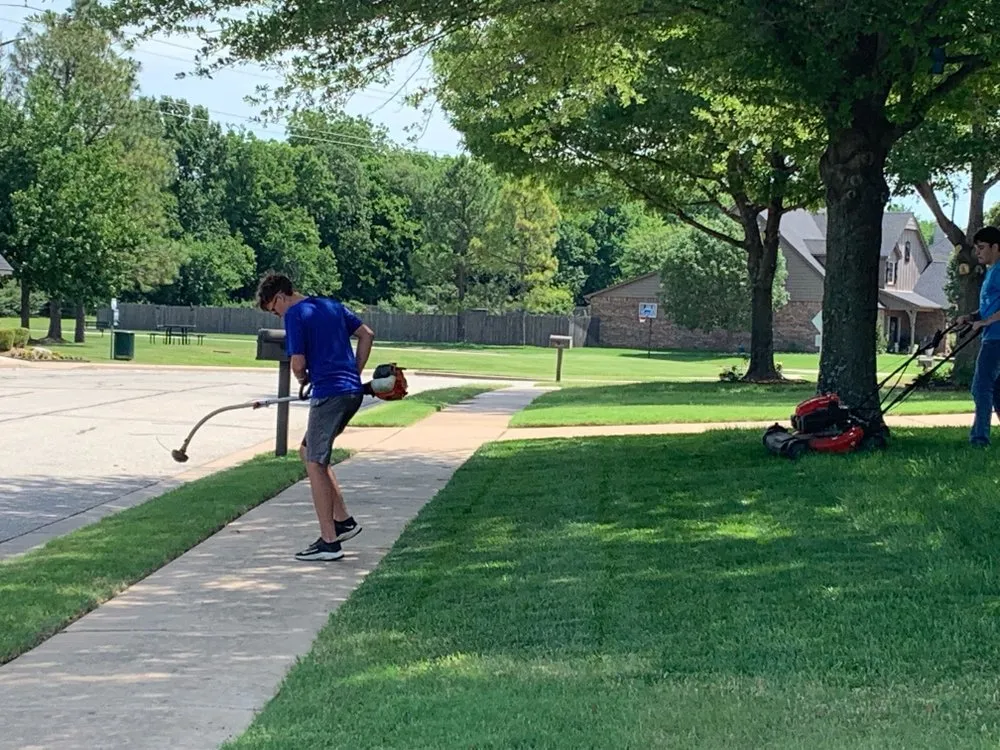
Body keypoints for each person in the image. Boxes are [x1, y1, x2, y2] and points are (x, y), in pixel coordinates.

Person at [257, 272, 375, 560]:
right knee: (309, 451)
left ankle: (329, 541)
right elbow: (366, 335)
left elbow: (297, 363)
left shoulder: (295, 314)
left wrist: (302, 378)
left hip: (329, 394)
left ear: (281, 297)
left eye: (274, 308)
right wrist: (354, 373)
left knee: (315, 463)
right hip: (351, 392)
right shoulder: (331, 306)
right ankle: (343, 520)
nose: (277, 315)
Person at [954, 226, 1000, 446]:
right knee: (997, 389)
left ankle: (979, 439)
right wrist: (971, 317)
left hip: (997, 339)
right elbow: (989, 308)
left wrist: (985, 322)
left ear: (996, 247)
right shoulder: (991, 272)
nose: (978, 253)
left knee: (980, 387)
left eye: (982, 248)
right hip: (991, 336)